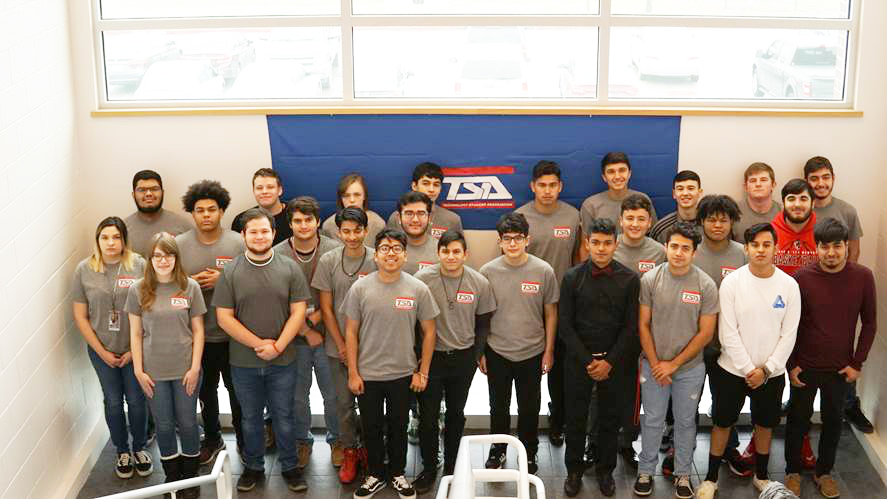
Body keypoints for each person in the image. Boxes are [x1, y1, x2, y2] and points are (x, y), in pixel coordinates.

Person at [696, 223, 801, 499]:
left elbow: (789, 335)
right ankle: (710, 479)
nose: (761, 250)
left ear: (775, 248)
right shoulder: (732, 282)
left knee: (765, 424)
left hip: (771, 373)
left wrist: (766, 370)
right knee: (722, 423)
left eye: (767, 244)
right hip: (730, 371)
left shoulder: (789, 286)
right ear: (747, 248)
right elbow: (727, 333)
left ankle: (762, 476)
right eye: (755, 245)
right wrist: (748, 369)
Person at [213, 208, 311, 493]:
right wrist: (259, 345)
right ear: (243, 235)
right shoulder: (231, 271)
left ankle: (290, 467)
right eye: (253, 231)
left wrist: (278, 346)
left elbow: (298, 312)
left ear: (274, 233)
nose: (259, 236)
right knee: (251, 418)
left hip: (284, 360)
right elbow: (224, 318)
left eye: (264, 231)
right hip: (243, 362)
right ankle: (253, 467)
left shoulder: (290, 268)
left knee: (284, 415)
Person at [783, 218, 877, 499]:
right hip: (805, 367)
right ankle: (792, 472)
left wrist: (857, 363)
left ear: (847, 246)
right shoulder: (802, 278)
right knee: (797, 421)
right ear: (817, 248)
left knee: (834, 422)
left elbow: (870, 323)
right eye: (825, 247)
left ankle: (824, 472)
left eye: (838, 246)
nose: (832, 252)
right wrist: (791, 364)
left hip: (840, 369)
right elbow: (791, 325)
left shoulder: (863, 277)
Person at [343, 228, 440, 499]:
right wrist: (353, 372)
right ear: (376, 255)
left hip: (402, 373)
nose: (391, 253)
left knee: (398, 425)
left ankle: (397, 473)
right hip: (368, 373)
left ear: (405, 255)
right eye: (385, 248)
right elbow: (350, 331)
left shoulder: (417, 288)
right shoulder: (360, 288)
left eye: (397, 248)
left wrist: (423, 372)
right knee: (371, 426)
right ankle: (375, 474)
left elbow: (430, 331)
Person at [634, 223, 717, 499]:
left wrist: (674, 364)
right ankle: (645, 471)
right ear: (666, 247)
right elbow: (643, 325)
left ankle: (683, 474)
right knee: (653, 420)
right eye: (674, 247)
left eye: (685, 248)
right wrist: (658, 362)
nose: (678, 253)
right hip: (653, 365)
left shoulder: (705, 284)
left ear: (694, 252)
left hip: (690, 369)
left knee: (684, 422)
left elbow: (706, 333)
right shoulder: (650, 280)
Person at [559, 218, 639, 498]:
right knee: (576, 417)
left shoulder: (630, 279)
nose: (602, 248)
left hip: (616, 362)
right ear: (587, 243)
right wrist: (588, 362)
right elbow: (565, 326)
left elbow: (632, 328)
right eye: (596, 242)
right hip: (579, 361)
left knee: (609, 418)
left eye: (607, 243)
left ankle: (606, 470)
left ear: (616, 244)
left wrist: (609, 362)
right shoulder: (571, 278)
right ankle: (573, 470)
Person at [413, 231, 496, 493]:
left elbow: (483, 323)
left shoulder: (479, 282)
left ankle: (451, 465)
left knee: (456, 414)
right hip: (431, 358)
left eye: (456, 251)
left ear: (465, 254)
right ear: (438, 253)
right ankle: (429, 466)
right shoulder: (422, 280)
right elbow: (413, 323)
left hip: (463, 358)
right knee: (427, 416)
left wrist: (476, 353)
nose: (451, 256)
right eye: (446, 251)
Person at [126, 234, 206, 499]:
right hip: (153, 371)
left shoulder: (189, 286)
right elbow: (135, 334)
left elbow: (198, 330)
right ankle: (172, 477)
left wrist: (195, 368)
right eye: (157, 255)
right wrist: (138, 370)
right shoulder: (138, 289)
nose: (163, 260)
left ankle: (191, 477)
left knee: (187, 422)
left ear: (176, 258)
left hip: (185, 369)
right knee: (163, 424)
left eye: (168, 255)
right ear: (150, 258)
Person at [72, 217, 151, 480]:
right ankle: (122, 451)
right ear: (97, 240)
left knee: (138, 401)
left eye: (116, 237)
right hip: (101, 349)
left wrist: (133, 350)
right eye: (104, 237)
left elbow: (150, 309)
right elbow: (80, 316)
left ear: (124, 240)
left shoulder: (139, 265)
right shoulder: (84, 269)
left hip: (135, 349)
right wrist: (102, 351)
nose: (110, 243)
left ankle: (139, 447)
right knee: (114, 402)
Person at [480, 212, 558, 475]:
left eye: (518, 238)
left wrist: (548, 350)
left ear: (528, 240)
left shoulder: (543, 270)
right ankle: (498, 450)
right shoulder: (487, 271)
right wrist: (481, 351)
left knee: (529, 406)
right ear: (500, 241)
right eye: (507, 239)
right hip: (497, 351)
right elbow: (482, 315)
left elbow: (550, 313)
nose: (512, 243)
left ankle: (529, 451)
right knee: (497, 406)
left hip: (533, 352)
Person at [176, 180, 246, 466]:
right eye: (200, 210)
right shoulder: (179, 245)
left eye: (212, 210)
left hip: (233, 336)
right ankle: (213, 438)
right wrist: (189, 285)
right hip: (197, 337)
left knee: (238, 392)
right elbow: (169, 286)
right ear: (192, 213)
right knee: (205, 393)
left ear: (222, 211)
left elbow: (253, 283)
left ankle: (244, 440)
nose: (206, 215)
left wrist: (224, 279)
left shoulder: (237, 243)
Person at [272, 197, 343, 470]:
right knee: (297, 396)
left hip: (329, 336)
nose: (303, 225)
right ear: (289, 224)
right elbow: (276, 301)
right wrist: (304, 328)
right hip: (293, 339)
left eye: (308, 220)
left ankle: (338, 441)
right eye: (297, 221)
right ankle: (302, 440)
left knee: (333, 394)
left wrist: (316, 323)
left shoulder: (334, 250)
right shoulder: (277, 253)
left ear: (317, 221)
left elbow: (340, 295)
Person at [804, 156, 873, 434]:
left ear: (833, 178)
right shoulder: (803, 210)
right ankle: (797, 401)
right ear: (807, 181)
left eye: (825, 177)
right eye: (814, 178)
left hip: (843, 289)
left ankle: (849, 402)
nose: (820, 184)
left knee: (844, 344)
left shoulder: (847, 210)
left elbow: (854, 251)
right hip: (810, 287)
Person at [515, 160, 581, 447]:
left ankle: (558, 422)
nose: (547, 190)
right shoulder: (520, 216)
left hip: (564, 304)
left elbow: (579, 258)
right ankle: (523, 432)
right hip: (528, 305)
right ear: (532, 186)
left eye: (552, 185)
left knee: (560, 370)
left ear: (560, 187)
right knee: (528, 373)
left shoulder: (572, 215)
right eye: (541, 185)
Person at [313, 207, 378, 484]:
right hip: (336, 346)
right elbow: (326, 308)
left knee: (372, 404)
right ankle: (349, 450)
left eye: (357, 230)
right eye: (346, 231)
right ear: (338, 233)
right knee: (343, 404)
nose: (352, 236)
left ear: (366, 230)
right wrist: (341, 344)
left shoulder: (377, 258)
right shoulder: (328, 260)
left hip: (373, 348)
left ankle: (373, 450)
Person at [691, 194, 750, 477]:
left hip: (728, 345)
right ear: (701, 222)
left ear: (732, 222)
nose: (717, 225)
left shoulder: (742, 253)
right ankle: (681, 449)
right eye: (711, 219)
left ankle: (729, 449)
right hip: (691, 343)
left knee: (726, 403)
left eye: (723, 219)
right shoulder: (691, 251)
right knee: (687, 400)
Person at [580, 152, 657, 231]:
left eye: (622, 170)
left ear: (629, 173)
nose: (617, 176)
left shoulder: (643, 199)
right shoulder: (591, 205)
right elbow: (585, 241)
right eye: (611, 172)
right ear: (604, 177)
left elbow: (653, 236)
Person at [124, 170, 192, 258]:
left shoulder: (183, 226)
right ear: (133, 195)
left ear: (163, 192)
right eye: (142, 190)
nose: (148, 194)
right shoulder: (123, 230)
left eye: (154, 189)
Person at [387, 162, 463, 239]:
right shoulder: (396, 218)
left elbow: (459, 249)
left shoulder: (452, 219)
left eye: (436, 184)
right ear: (414, 186)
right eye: (426, 183)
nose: (431, 189)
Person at [231, 168, 292, 245]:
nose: (264, 192)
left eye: (270, 187)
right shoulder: (240, 220)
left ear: (279, 190)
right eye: (259, 188)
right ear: (254, 191)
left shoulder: (296, 216)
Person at [321, 173, 387, 244]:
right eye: (346, 196)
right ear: (341, 198)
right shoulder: (329, 226)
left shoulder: (378, 224)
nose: (352, 200)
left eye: (357, 195)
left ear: (364, 196)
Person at [771, 179, 818, 276]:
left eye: (803, 199)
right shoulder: (769, 233)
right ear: (783, 204)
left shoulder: (823, 232)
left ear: (813, 203)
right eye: (791, 199)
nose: (797, 205)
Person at [614, 194, 666, 275]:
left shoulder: (660, 252)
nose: (635, 224)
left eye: (641, 219)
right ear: (621, 221)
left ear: (649, 222)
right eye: (630, 218)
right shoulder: (609, 248)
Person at [648, 171, 703, 243]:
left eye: (690, 188)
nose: (685, 193)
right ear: (674, 194)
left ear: (700, 193)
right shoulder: (661, 229)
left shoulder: (710, 226)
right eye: (680, 189)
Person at [732, 162, 782, 242]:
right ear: (745, 187)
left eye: (763, 180)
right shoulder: (733, 212)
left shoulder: (783, 213)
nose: (758, 184)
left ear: (773, 185)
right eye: (753, 181)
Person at [396, 191, 439, 275]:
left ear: (429, 218)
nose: (415, 219)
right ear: (399, 217)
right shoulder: (387, 251)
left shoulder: (441, 251)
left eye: (421, 213)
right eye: (409, 213)